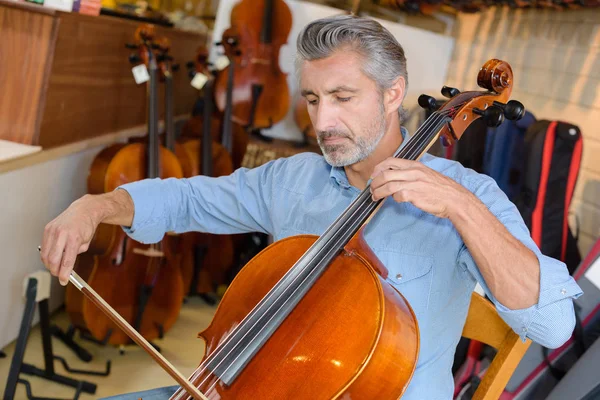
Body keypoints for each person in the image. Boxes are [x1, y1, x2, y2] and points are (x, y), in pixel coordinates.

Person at [39, 14, 583, 400]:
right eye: (313, 99)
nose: (322, 123)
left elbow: (554, 324)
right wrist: (96, 205)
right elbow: (188, 197)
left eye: (343, 98)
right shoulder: (295, 178)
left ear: (394, 94)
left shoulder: (471, 196)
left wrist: (462, 209)